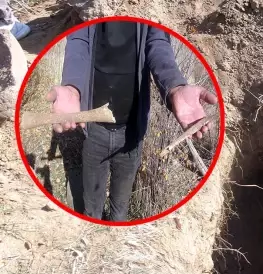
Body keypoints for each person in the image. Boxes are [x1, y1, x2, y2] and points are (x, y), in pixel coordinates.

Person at [48, 21, 216, 222]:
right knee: (92, 208)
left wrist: (175, 86)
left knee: (119, 210)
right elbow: (78, 38)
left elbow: (158, 41)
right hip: (93, 130)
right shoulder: (90, 10)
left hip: (132, 133)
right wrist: (72, 86)